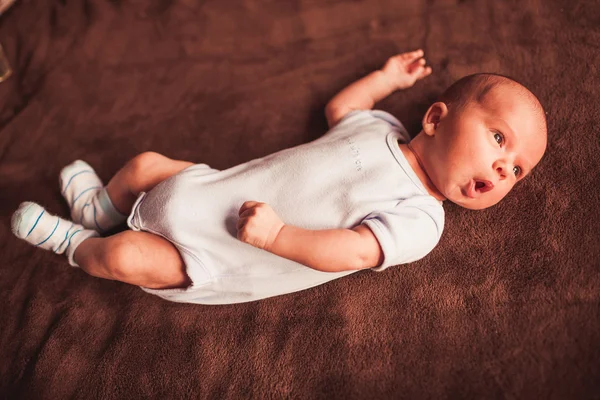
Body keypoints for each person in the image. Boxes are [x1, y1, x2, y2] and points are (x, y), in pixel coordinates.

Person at [11, 49, 548, 305]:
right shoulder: (381, 128)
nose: (505, 169)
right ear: (434, 119)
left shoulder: (423, 219)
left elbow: (354, 251)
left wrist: (278, 236)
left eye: (517, 171)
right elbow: (343, 108)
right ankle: (102, 212)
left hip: (222, 252)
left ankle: (77, 241)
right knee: (143, 167)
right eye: (500, 139)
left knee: (122, 258)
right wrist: (384, 79)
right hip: (213, 188)